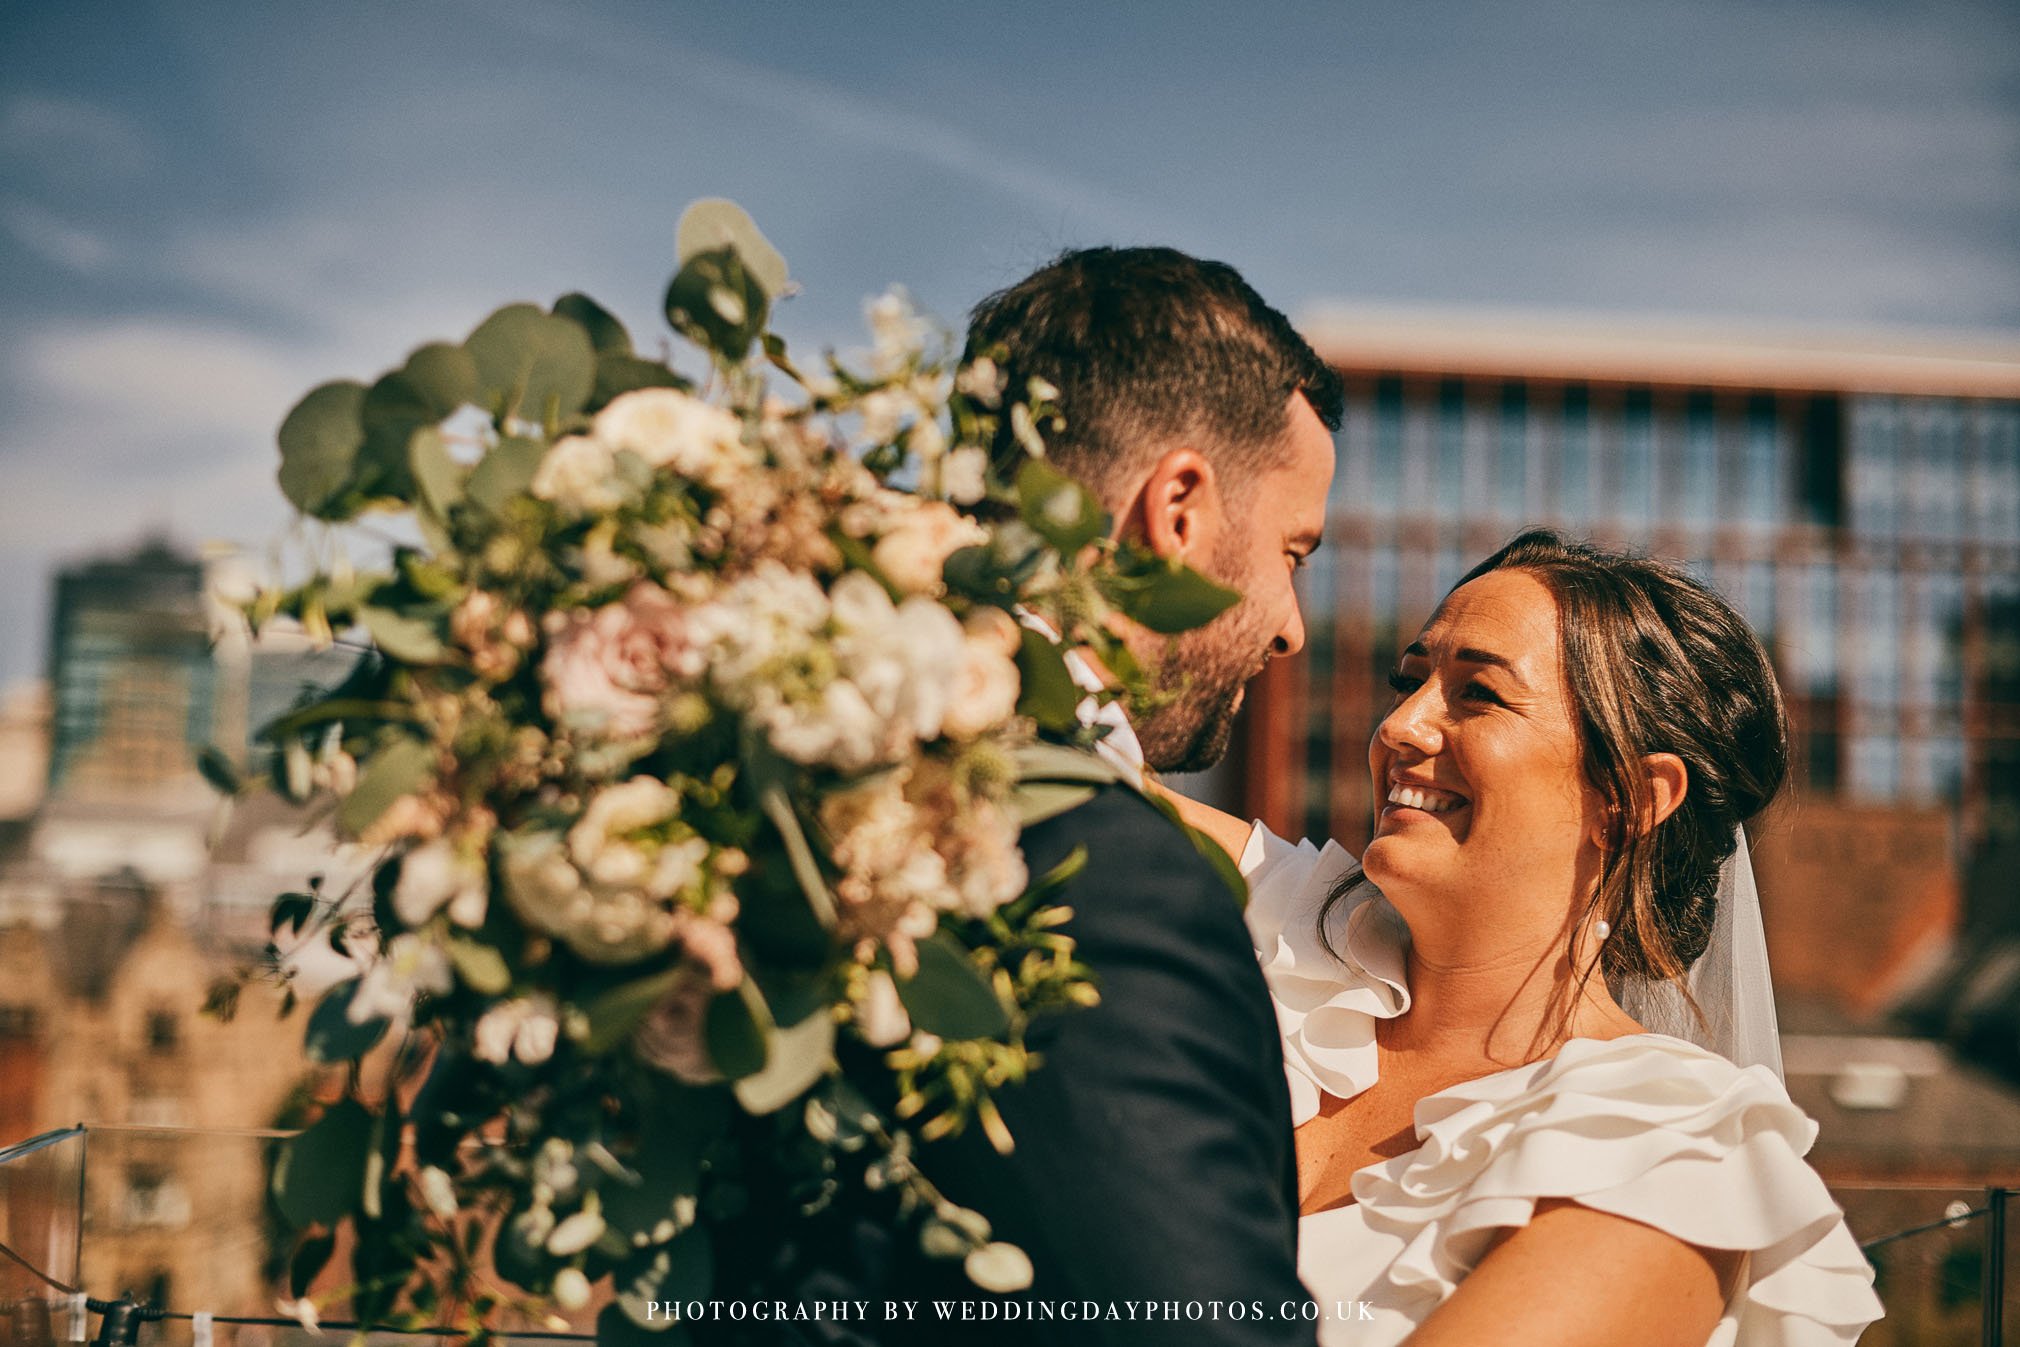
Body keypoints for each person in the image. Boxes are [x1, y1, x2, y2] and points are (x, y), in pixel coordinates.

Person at [749, 246, 1343, 1345]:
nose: (1291, 629)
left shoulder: (776, 782)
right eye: (1293, 554)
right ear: (1177, 510)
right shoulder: (1094, 873)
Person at [1163, 530, 1884, 1346]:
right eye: (1410, 680)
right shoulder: (1278, 920)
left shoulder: (1670, 1154)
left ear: (1631, 798)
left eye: (1478, 694)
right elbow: (1045, 761)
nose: (1399, 724)